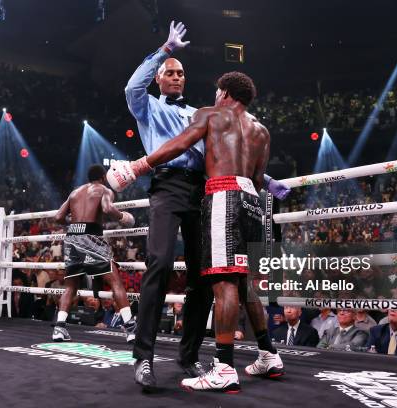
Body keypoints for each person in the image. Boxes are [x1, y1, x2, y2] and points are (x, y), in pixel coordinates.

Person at [122, 21, 291, 392]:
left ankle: (189, 354)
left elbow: (226, 155)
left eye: (182, 73)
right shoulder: (147, 105)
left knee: (207, 278)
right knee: (160, 264)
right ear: (160, 78)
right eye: (171, 73)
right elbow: (133, 87)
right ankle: (144, 356)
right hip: (167, 187)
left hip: (207, 192)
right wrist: (165, 51)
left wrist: (268, 179)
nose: (177, 77)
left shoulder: (202, 113)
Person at [51, 165, 136, 343]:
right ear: (104, 177)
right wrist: (123, 217)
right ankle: (131, 329)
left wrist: (76, 223)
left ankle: (59, 328)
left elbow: (58, 217)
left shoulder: (74, 192)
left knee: (71, 285)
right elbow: (106, 209)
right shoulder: (104, 190)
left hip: (72, 237)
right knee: (115, 281)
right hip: (91, 237)